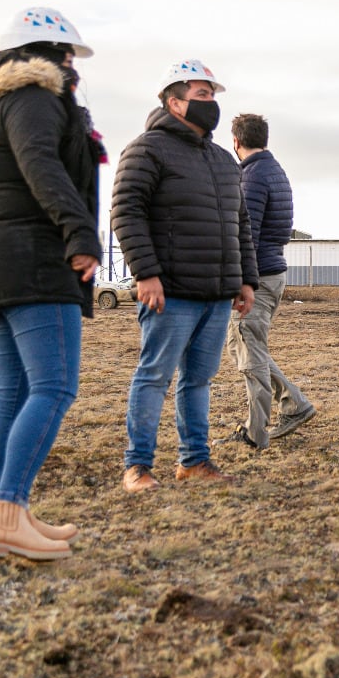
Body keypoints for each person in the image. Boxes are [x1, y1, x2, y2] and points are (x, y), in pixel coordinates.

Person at [0, 6, 105, 560]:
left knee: (15, 391)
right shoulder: (34, 101)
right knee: (54, 387)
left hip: (1, 256)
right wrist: (80, 233)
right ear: (41, 57)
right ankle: (7, 511)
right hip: (33, 257)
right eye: (65, 55)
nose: (73, 67)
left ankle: (10, 514)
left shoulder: (6, 103)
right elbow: (41, 165)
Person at [112, 59, 257, 493]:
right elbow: (126, 210)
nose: (210, 103)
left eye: (213, 95)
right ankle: (137, 466)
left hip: (215, 294)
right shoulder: (146, 149)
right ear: (174, 103)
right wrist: (146, 273)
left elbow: (240, 223)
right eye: (202, 95)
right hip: (169, 292)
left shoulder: (222, 160)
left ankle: (194, 460)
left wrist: (244, 279)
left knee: (198, 379)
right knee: (154, 376)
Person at [223, 113, 316, 450]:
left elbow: (244, 234)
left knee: (250, 354)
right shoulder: (274, 171)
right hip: (271, 271)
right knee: (246, 347)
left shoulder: (251, 177)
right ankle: (294, 404)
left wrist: (239, 280)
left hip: (257, 276)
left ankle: (255, 432)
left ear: (235, 142)